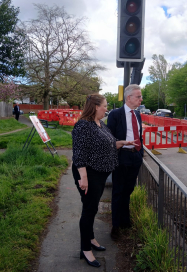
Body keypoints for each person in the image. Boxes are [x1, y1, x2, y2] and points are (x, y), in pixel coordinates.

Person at [72, 93, 137, 268]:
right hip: (89, 174)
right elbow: (79, 154)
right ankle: (85, 249)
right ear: (95, 107)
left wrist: (122, 142)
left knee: (93, 208)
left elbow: (110, 143)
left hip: (100, 173)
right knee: (89, 209)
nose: (107, 108)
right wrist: (83, 178)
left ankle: (91, 238)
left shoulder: (100, 124)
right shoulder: (83, 126)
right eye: (105, 105)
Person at [107, 84, 144, 241]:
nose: (141, 99)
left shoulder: (138, 115)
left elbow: (139, 135)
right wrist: (122, 144)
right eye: (138, 96)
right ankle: (115, 226)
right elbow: (109, 138)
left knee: (128, 190)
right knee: (118, 192)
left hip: (135, 157)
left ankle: (125, 220)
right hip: (121, 157)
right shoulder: (116, 114)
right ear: (129, 98)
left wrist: (140, 152)